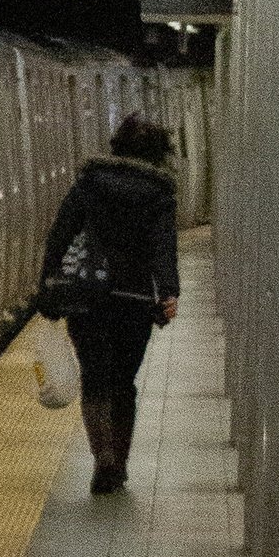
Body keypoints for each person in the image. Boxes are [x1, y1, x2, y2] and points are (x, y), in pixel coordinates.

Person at [37, 113, 181, 495]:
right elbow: (164, 249)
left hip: (87, 296)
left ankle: (102, 457)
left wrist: (48, 283)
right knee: (124, 384)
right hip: (134, 301)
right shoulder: (159, 194)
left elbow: (60, 234)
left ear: (116, 146)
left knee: (94, 378)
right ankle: (120, 462)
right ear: (158, 155)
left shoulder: (90, 183)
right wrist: (168, 292)